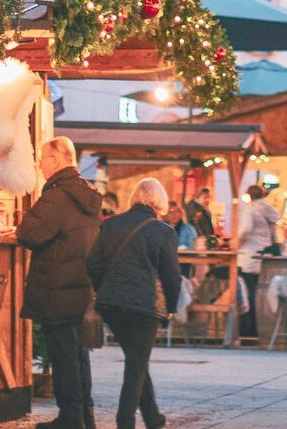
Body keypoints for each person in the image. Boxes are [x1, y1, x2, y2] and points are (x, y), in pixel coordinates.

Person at [17, 137, 104, 429]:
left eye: (42, 158)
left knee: (64, 354)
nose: (39, 164)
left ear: (56, 159)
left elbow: (29, 233)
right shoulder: (86, 193)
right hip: (80, 287)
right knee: (78, 354)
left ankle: (69, 418)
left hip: (57, 287)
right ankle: (84, 416)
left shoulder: (57, 196)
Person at [86, 178, 183, 429]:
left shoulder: (111, 225)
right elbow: (172, 276)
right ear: (159, 201)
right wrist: (171, 307)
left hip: (112, 305)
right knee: (136, 364)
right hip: (145, 308)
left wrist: (104, 289)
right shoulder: (164, 231)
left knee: (137, 360)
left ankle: (153, 418)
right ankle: (124, 420)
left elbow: (93, 264)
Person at [234, 185, 281, 338]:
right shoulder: (267, 207)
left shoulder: (251, 209)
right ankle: (256, 329)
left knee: (246, 292)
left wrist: (235, 244)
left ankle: (247, 330)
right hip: (262, 254)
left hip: (248, 256)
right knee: (255, 292)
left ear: (249, 196)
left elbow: (245, 230)